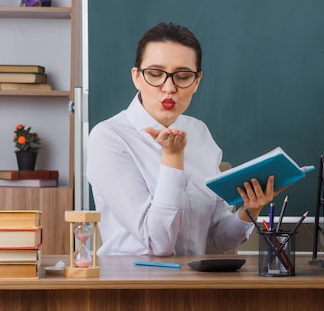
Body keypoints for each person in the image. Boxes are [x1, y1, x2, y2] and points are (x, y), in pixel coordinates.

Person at [86, 22, 276, 256]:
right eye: (155, 74)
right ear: (136, 77)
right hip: (133, 282)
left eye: (183, 76)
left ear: (196, 81)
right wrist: (173, 157)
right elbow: (158, 244)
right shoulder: (109, 137)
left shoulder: (199, 132)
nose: (169, 87)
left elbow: (218, 240)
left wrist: (250, 210)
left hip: (191, 282)